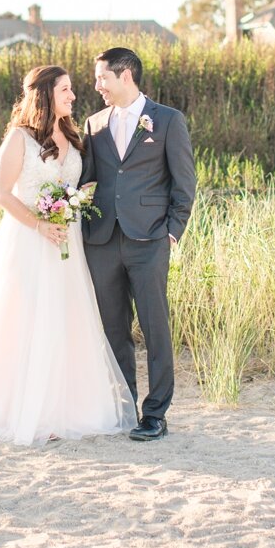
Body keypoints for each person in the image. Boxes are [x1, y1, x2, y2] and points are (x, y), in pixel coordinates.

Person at [0, 65, 137, 446]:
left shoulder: (72, 134)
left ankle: (66, 408)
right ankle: (24, 409)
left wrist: (76, 204)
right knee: (26, 321)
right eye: (66, 90)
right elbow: (0, 193)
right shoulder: (18, 139)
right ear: (46, 94)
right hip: (30, 241)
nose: (73, 96)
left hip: (67, 240)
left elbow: (80, 182)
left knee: (67, 320)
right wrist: (40, 225)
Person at [81, 47, 196, 441]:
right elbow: (88, 180)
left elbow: (184, 182)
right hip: (102, 240)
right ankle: (124, 405)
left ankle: (155, 413)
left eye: (102, 78)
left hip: (149, 239)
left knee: (155, 326)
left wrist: (173, 230)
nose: (97, 87)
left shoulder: (167, 120)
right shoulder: (93, 124)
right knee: (114, 327)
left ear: (125, 74)